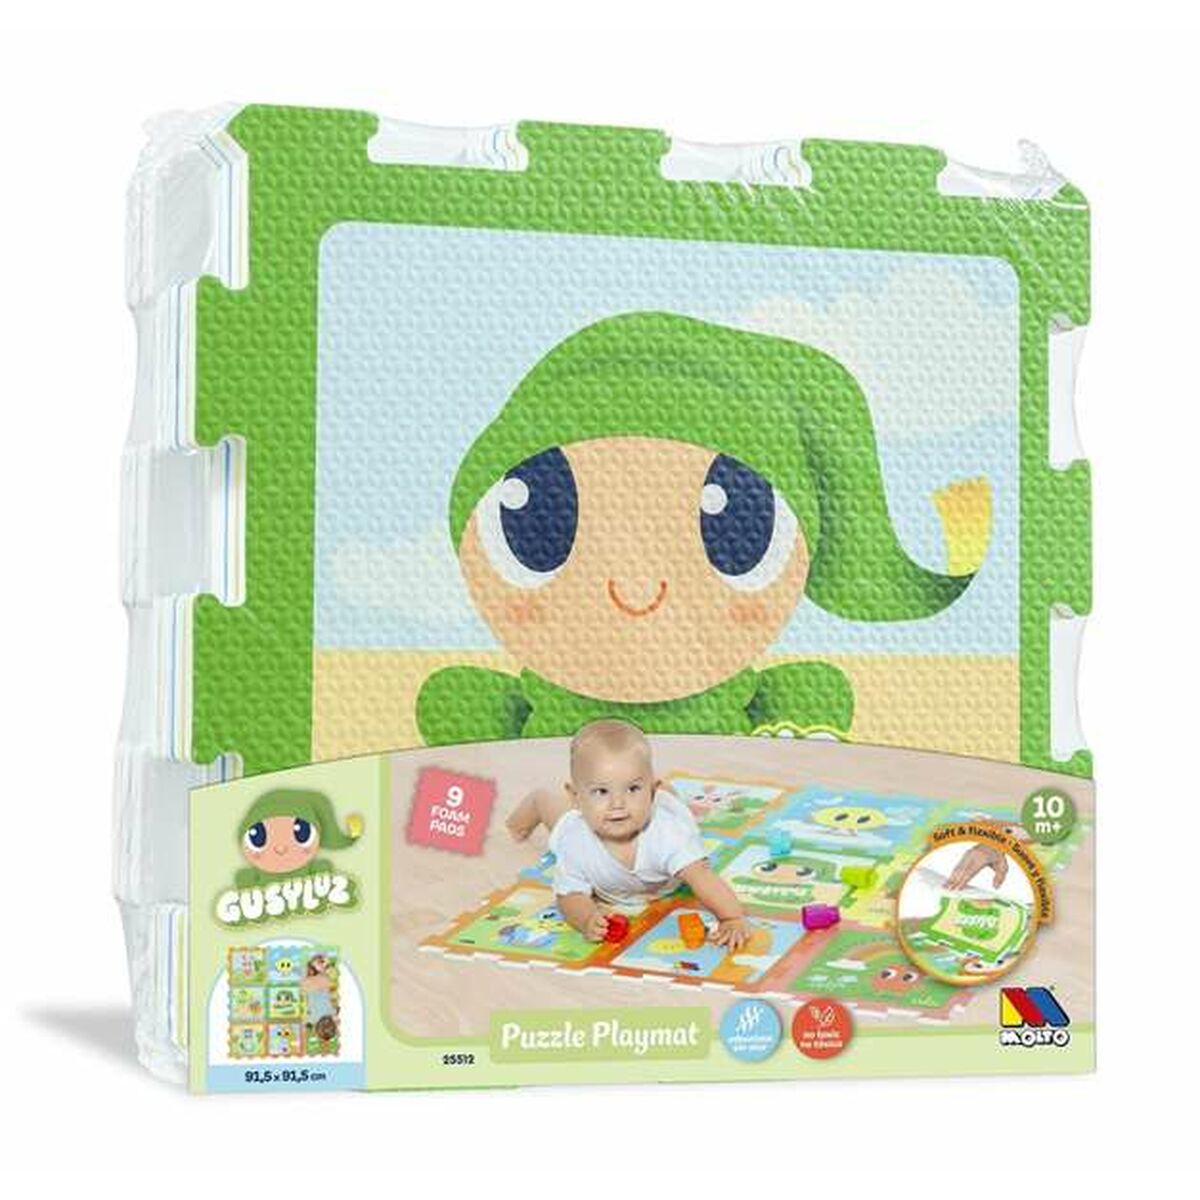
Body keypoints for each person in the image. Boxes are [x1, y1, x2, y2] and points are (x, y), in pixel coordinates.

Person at [507, 718, 752, 949]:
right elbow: (569, 895)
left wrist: (731, 918)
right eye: (601, 791)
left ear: (650, 791)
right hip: (586, 819)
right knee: (555, 816)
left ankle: (662, 791)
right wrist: (586, 919)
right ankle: (537, 800)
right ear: (576, 796)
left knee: (671, 803)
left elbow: (703, 877)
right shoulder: (575, 841)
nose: (618, 804)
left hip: (664, 811)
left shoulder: (668, 834)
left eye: (632, 788)